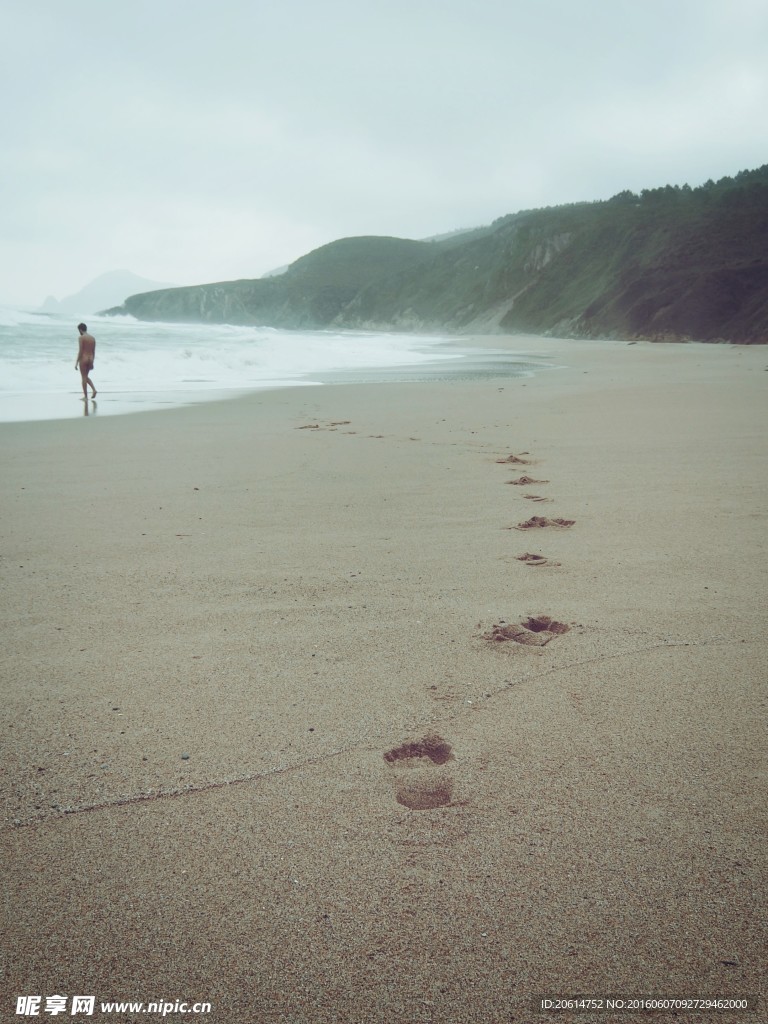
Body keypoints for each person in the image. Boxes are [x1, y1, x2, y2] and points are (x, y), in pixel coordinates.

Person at [75, 323, 97, 398]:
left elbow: (80, 351)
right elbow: (93, 351)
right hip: (90, 358)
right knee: (85, 377)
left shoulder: (81, 338)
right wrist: (92, 361)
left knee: (83, 378)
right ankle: (94, 390)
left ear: (80, 329)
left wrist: (76, 362)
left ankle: (85, 396)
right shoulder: (92, 338)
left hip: (84, 359)